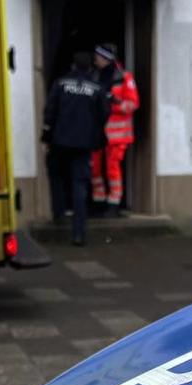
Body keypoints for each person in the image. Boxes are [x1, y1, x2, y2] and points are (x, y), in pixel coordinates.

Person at [41, 51, 110, 246]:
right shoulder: (97, 88)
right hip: (84, 144)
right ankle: (78, 234)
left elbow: (50, 111)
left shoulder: (61, 84)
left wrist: (47, 136)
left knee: (56, 176)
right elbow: (104, 113)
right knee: (80, 186)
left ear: (73, 66)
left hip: (60, 141)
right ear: (90, 68)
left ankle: (59, 214)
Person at [91, 42, 138, 215]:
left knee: (112, 167)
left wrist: (113, 103)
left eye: (98, 56)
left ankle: (114, 202)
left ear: (105, 58)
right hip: (97, 131)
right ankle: (98, 200)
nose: (95, 59)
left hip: (117, 134)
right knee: (94, 167)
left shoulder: (125, 77)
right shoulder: (94, 75)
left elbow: (132, 104)